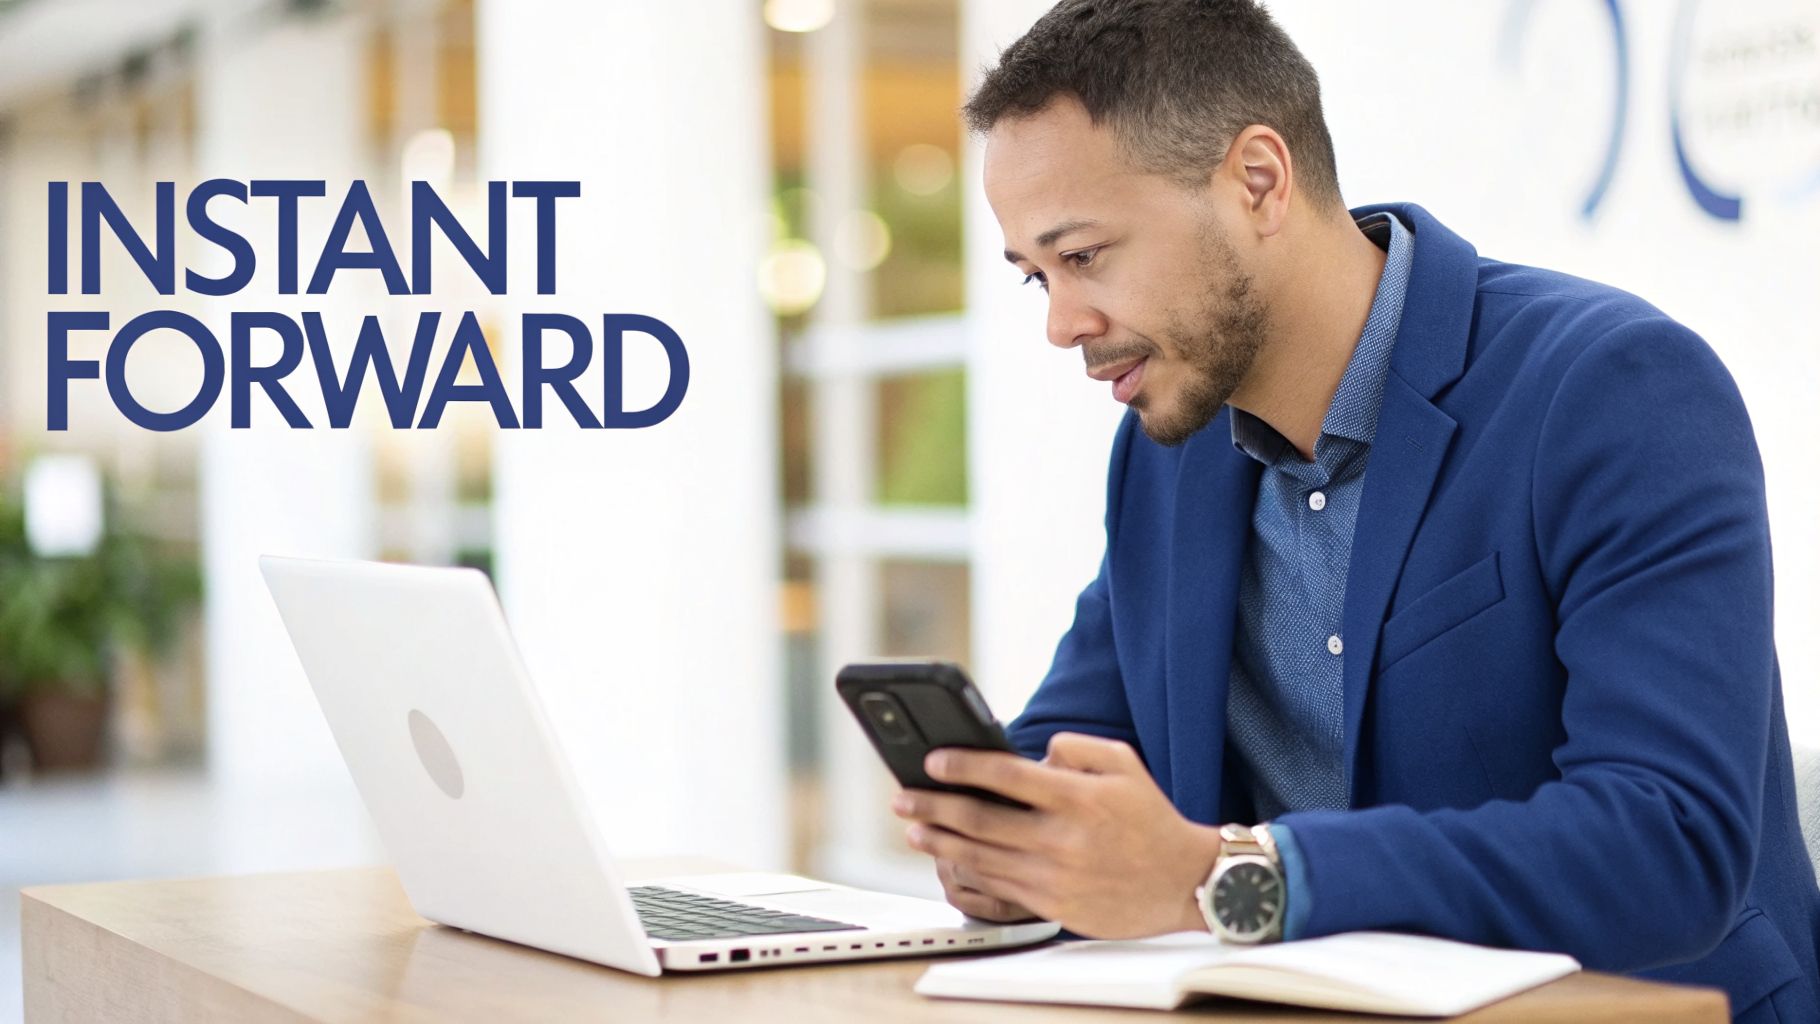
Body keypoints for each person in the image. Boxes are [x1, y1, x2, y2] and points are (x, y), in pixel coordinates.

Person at [884, 1, 1820, 1019]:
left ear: (1255, 181)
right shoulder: (1168, 455)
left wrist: (1229, 873)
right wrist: (1012, 841)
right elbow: (1082, 730)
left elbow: (1667, 842)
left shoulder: (1613, 389)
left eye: (1085, 256)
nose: (1063, 324)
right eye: (1034, 277)